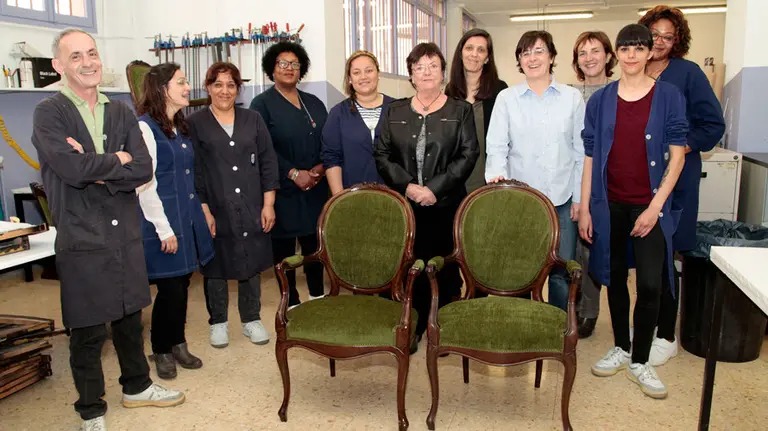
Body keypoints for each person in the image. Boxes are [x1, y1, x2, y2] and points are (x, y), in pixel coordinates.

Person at [31, 28, 184, 431]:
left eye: (93, 53)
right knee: (86, 329)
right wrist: (115, 161)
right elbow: (70, 169)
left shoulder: (118, 111)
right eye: (76, 56)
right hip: (82, 235)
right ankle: (91, 409)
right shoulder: (49, 113)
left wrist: (99, 167)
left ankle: (137, 387)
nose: (88, 63)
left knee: (130, 318)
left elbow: (143, 169)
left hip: (124, 234)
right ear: (58, 65)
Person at [579, 24, 687, 399]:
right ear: (616, 55)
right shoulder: (601, 100)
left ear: (649, 53)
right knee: (614, 276)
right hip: (610, 205)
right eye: (624, 48)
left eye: (638, 48)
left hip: (650, 205)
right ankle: (622, 347)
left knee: (652, 284)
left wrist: (655, 208)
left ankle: (641, 359)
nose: (631, 55)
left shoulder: (669, 96)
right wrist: (589, 207)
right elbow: (590, 157)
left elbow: (676, 158)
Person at [374, 42, 478, 342]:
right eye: (419, 67)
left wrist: (434, 189)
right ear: (411, 75)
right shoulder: (395, 111)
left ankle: (444, 328)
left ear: (443, 72)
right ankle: (416, 325)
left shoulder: (461, 110)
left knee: (445, 269)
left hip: (446, 205)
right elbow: (382, 154)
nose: (426, 72)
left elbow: (468, 154)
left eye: (433, 66)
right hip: (407, 206)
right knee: (412, 269)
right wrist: (408, 186)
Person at [639, 5, 725, 365]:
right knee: (645, 258)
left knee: (665, 255)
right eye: (653, 34)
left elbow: (712, 125)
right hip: (639, 178)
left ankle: (666, 333)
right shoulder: (635, 69)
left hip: (674, 180)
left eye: (667, 36)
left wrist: (682, 146)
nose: (659, 41)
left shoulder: (687, 74)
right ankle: (647, 325)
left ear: (678, 41)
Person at [485, 30, 585, 311]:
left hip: (562, 200)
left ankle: (557, 329)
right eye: (525, 52)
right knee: (519, 271)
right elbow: (496, 147)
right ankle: (520, 325)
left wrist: (579, 198)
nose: (532, 58)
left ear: (552, 56)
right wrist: (500, 190)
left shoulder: (572, 98)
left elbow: (581, 152)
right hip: (520, 203)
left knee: (561, 272)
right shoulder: (507, 98)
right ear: (519, 60)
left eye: (539, 51)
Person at [189, 62, 280, 348]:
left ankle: (251, 319)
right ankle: (218, 322)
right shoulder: (194, 123)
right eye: (218, 85)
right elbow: (195, 171)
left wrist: (269, 204)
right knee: (215, 263)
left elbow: (268, 162)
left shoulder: (252, 119)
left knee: (250, 260)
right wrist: (203, 209)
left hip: (251, 203)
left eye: (230, 85)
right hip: (216, 205)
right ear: (208, 87)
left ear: (237, 89)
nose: (224, 91)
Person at [136, 63, 214, 379]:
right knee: (170, 290)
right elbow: (145, 184)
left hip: (188, 216)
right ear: (161, 89)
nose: (187, 87)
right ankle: (160, 349)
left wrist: (202, 213)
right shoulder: (144, 128)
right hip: (162, 222)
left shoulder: (180, 127)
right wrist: (163, 229)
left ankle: (178, 342)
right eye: (181, 81)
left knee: (182, 285)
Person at [249, 42, 329, 308]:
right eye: (282, 63)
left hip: (316, 187)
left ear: (302, 69)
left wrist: (318, 169)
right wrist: (294, 173)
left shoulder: (314, 103)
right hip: (282, 189)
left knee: (315, 247)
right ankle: (291, 301)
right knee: (284, 252)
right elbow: (263, 148)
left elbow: (328, 141)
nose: (289, 68)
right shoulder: (261, 104)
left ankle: (317, 296)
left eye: (295, 64)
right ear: (272, 69)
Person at [569, 30, 617, 338]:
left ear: (609, 56)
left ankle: (589, 312)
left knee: (592, 250)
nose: (589, 58)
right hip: (574, 181)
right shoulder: (569, 93)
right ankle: (569, 308)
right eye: (582, 53)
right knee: (570, 251)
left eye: (595, 51)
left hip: (606, 183)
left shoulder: (618, 92)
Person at [445, 28, 508, 194]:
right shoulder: (449, 91)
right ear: (460, 53)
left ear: (487, 58)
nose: (474, 54)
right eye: (469, 48)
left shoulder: (500, 90)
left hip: (489, 177)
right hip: (457, 178)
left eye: (481, 50)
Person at [321, 50, 394, 194]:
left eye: (369, 71)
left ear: (378, 74)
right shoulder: (338, 113)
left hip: (393, 197)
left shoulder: (397, 109)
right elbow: (331, 157)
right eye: (356, 72)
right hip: (352, 195)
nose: (363, 77)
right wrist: (340, 199)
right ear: (349, 78)